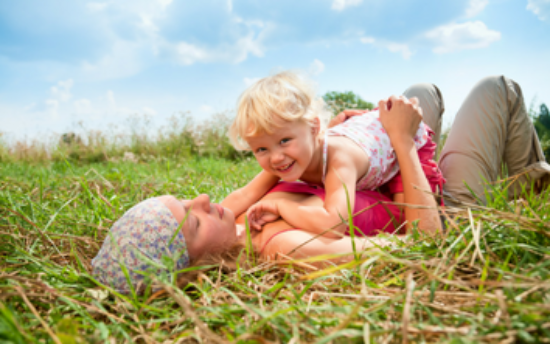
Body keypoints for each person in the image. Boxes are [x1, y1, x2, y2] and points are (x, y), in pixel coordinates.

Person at [91, 75, 550, 294]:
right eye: (190, 222)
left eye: (185, 200)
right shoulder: (276, 243)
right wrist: (401, 142)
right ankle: (518, 190)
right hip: (439, 207)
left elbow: (279, 169)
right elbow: (425, 244)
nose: (204, 199)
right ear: (191, 266)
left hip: (385, 176)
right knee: (499, 90)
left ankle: (512, 179)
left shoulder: (239, 215)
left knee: (421, 92)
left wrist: (330, 134)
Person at [224, 71, 444, 237]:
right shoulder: (287, 159)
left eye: (284, 140)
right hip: (365, 138)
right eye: (261, 149)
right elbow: (245, 195)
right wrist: (203, 218)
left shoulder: (339, 162)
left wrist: (281, 207)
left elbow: (333, 223)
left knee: (410, 223)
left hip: (398, 140)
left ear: (313, 128)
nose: (276, 157)